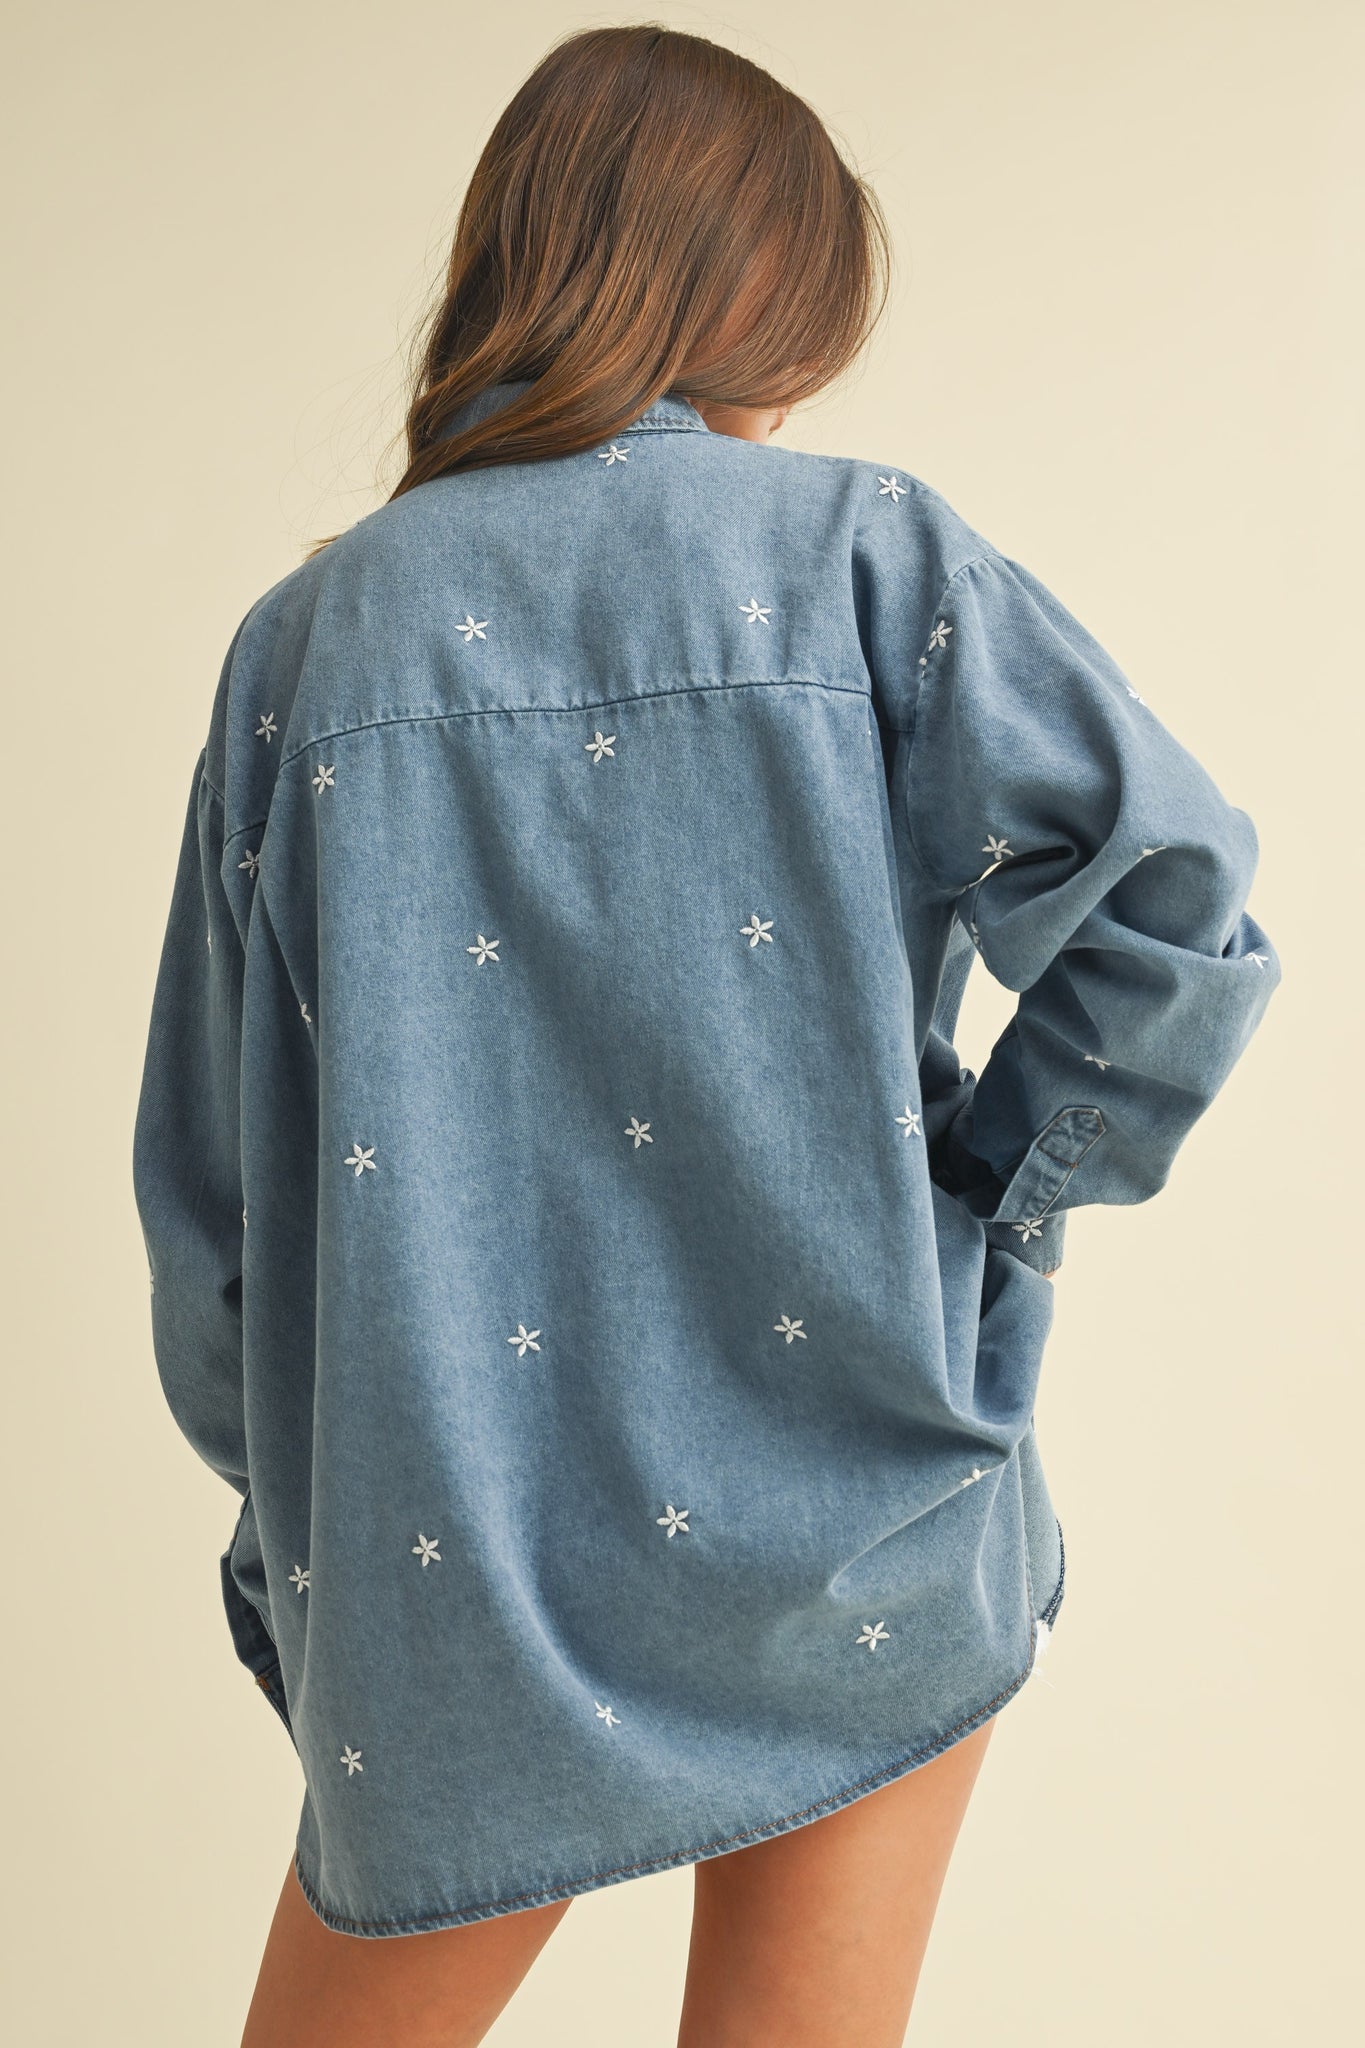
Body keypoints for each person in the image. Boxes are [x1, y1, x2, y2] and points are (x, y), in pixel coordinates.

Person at [131, 25, 1278, 2048]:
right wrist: (986, 1208)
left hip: (460, 1552)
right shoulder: (864, 557)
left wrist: (314, 1507)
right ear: (750, 286)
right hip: (863, 1511)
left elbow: (220, 1198)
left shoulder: (308, 646)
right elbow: (1172, 914)